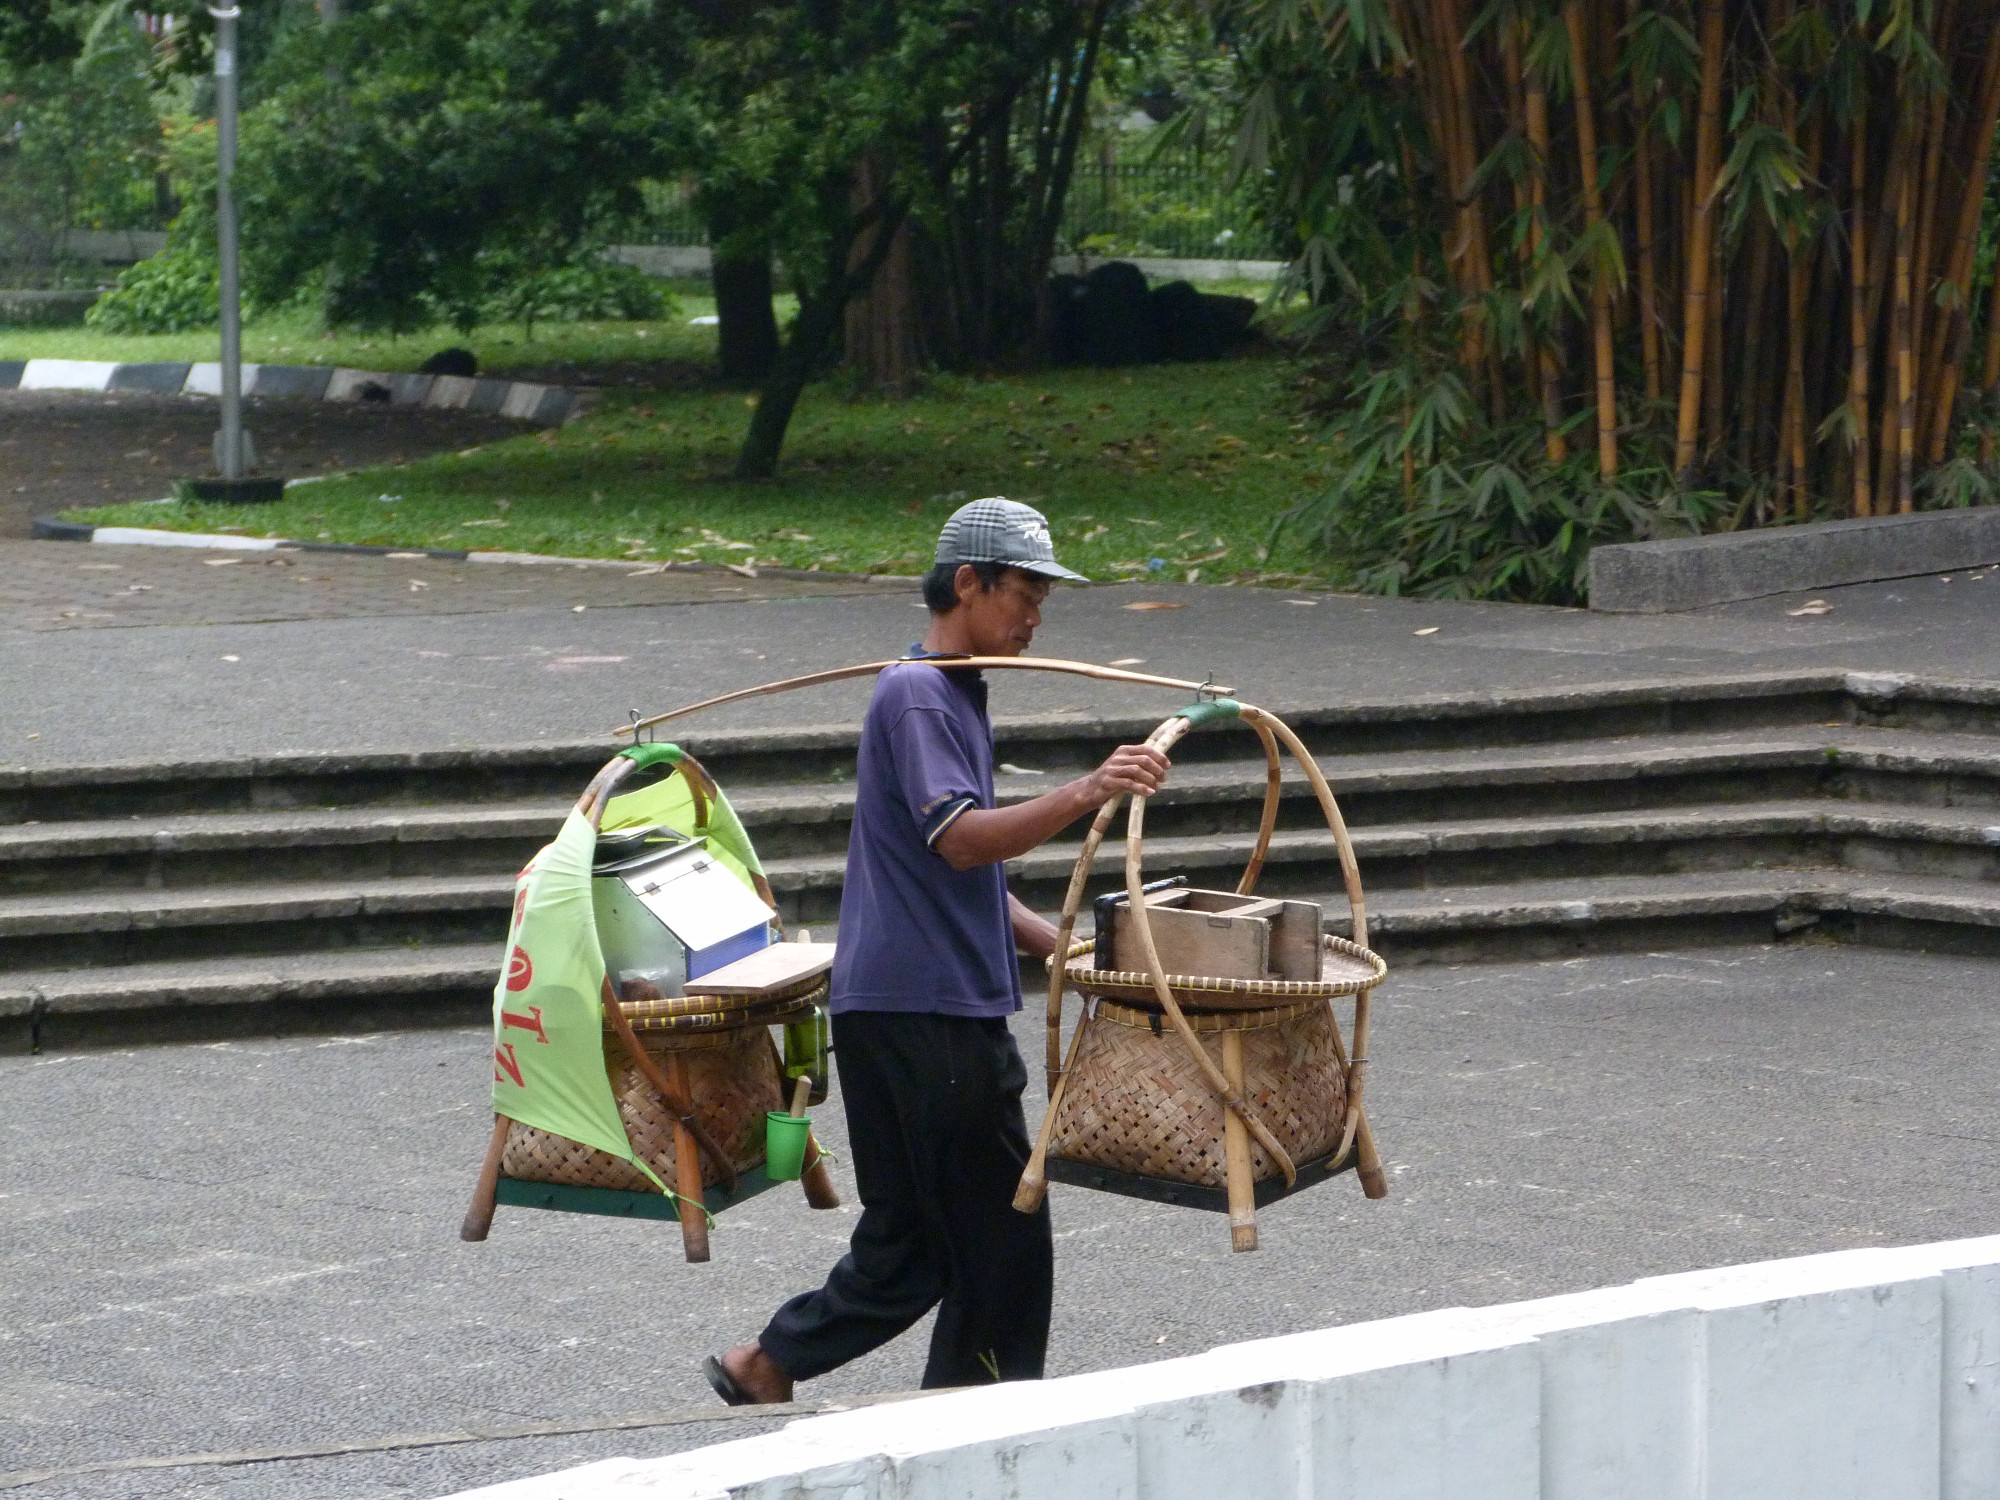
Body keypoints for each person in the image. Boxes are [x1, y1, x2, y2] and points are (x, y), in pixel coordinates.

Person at [705, 496, 1171, 1402]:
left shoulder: (951, 692)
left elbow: (966, 882)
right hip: (930, 1015)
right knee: (1003, 1241)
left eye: (1043, 601)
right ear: (969, 583)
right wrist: (1092, 788)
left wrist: (1059, 950)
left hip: (895, 1006)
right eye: (1024, 595)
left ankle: (765, 1363)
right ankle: (976, 1423)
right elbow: (961, 840)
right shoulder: (920, 694)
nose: (1035, 619)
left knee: (912, 1236)